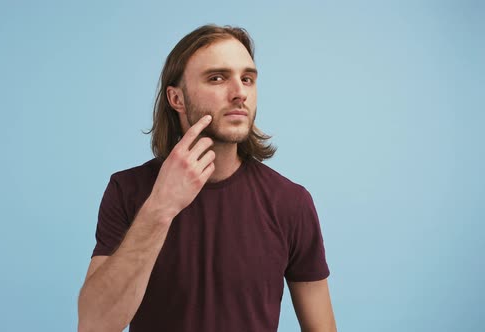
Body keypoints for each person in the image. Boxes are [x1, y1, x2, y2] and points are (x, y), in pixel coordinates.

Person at [78, 24, 336, 332]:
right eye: (217, 78)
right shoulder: (127, 190)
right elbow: (94, 325)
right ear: (177, 99)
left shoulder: (290, 202)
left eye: (247, 79)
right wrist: (160, 207)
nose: (239, 92)